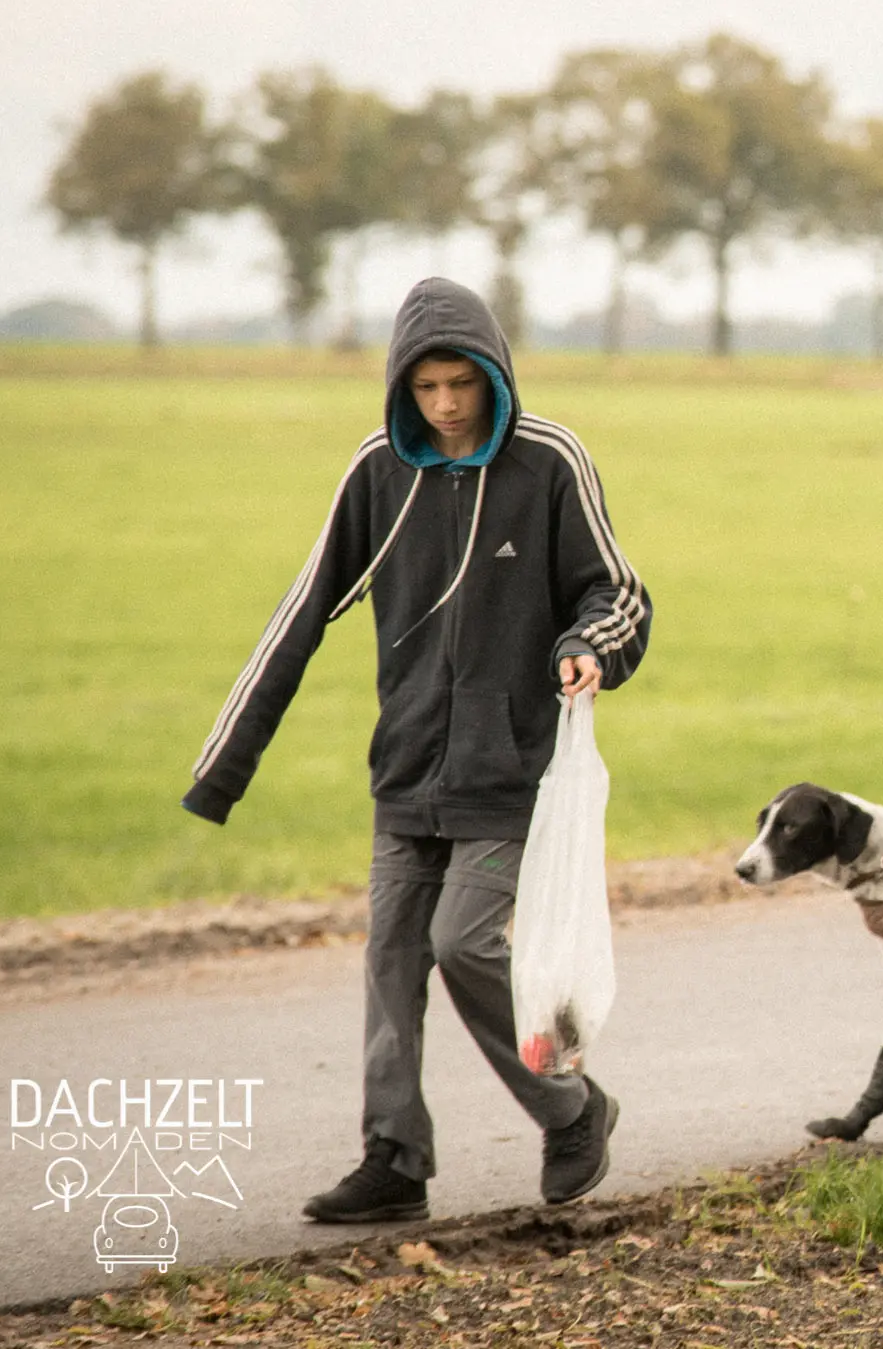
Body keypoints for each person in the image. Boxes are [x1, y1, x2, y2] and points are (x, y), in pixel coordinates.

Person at [181, 278, 652, 1222]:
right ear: (401, 385)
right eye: (426, 386)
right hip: (405, 772)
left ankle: (571, 1109)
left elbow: (620, 596)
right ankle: (394, 1159)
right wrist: (222, 766)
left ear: (492, 374)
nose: (444, 404)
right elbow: (301, 612)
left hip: (512, 772)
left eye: (460, 383)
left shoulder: (550, 462)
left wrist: (583, 648)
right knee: (393, 957)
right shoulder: (376, 472)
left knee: (461, 941)